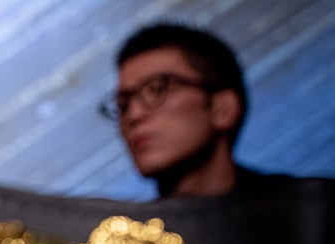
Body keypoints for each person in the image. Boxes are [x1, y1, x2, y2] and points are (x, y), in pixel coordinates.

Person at [100, 21, 282, 198]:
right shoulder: (119, 226)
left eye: (157, 90)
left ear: (223, 108)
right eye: (123, 105)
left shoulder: (303, 212)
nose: (134, 115)